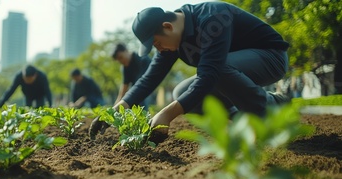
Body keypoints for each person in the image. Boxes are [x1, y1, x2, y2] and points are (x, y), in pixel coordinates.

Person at [90, 2, 291, 143]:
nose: (159, 49)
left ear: (167, 26)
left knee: (214, 70)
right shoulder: (172, 43)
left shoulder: (211, 18)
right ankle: (243, 118)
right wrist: (114, 111)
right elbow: (148, 80)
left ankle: (272, 107)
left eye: (158, 43)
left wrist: (167, 114)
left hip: (270, 58)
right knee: (181, 92)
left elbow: (209, 74)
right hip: (228, 69)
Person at [111, 43, 154, 108]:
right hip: (136, 90)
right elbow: (125, 86)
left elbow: (143, 84)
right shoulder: (125, 67)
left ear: (126, 51)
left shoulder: (142, 59)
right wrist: (117, 103)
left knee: (140, 103)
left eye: (121, 57)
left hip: (146, 89)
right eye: (119, 60)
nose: (121, 61)